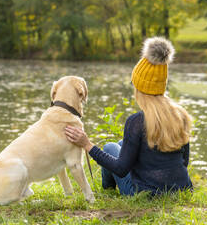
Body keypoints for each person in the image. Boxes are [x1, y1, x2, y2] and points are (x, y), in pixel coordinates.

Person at [65, 37, 193, 196]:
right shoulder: (180, 115)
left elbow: (121, 169)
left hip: (145, 193)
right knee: (121, 143)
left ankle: (108, 190)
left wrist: (87, 144)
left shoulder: (137, 121)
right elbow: (184, 162)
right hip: (181, 188)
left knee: (110, 147)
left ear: (140, 88)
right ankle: (111, 188)